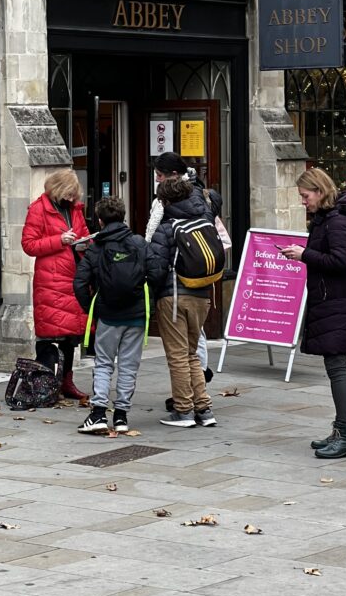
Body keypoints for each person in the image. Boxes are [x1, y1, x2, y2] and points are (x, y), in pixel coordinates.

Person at [280, 168, 346, 459]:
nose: (303, 201)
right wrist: (304, 252)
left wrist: (304, 255)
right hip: (329, 301)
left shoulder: (337, 220)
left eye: (305, 196)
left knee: (337, 367)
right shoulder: (325, 220)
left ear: (319, 191)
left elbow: (341, 260)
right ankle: (342, 431)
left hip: (338, 302)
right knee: (334, 367)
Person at [73, 196, 161, 433]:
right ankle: (121, 417)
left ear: (100, 221)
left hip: (108, 315)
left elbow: (80, 283)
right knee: (129, 366)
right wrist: (147, 303)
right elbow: (156, 274)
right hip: (136, 316)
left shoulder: (96, 249)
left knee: (103, 364)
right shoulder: (139, 243)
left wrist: (91, 307)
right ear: (123, 217)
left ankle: (99, 413)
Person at [150, 173, 216, 428]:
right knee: (191, 354)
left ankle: (184, 410)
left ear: (164, 200)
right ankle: (204, 408)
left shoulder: (167, 227)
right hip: (202, 295)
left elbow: (156, 268)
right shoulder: (204, 218)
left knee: (177, 356)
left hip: (174, 297)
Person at [21, 169, 91, 399]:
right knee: (50, 334)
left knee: (71, 335)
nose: (72, 198)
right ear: (58, 189)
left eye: (74, 194)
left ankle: (65, 382)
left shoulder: (75, 209)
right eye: (69, 193)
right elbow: (29, 245)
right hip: (51, 280)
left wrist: (84, 243)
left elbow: (84, 234)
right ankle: (46, 383)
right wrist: (59, 241)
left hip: (73, 277)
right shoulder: (38, 209)